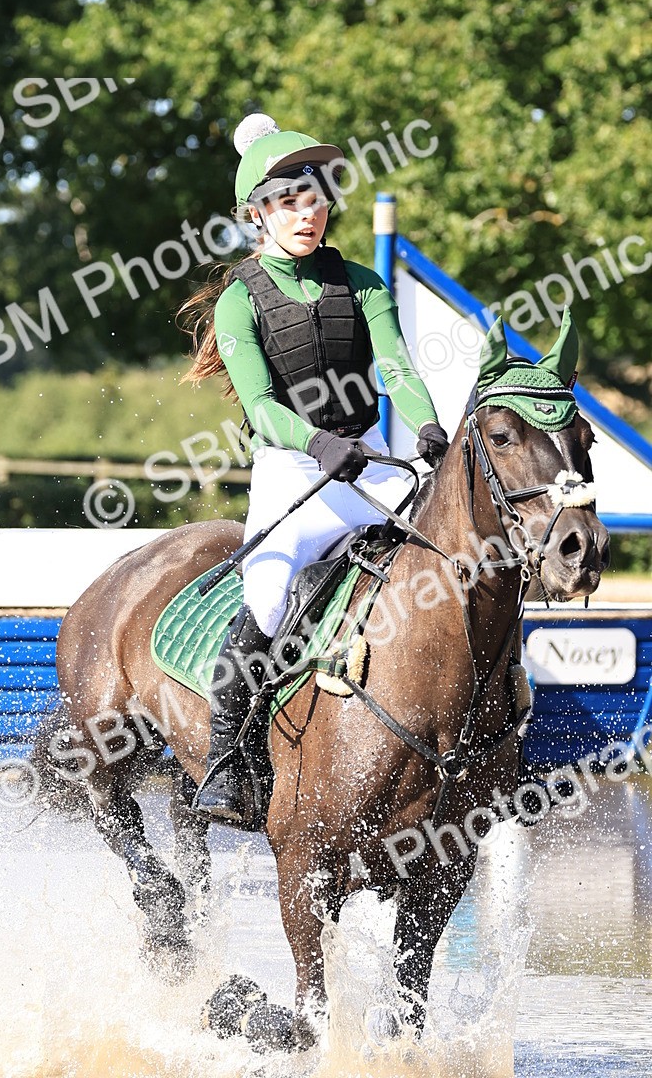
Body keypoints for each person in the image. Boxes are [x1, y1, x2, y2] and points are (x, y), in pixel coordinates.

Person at [179, 113, 448, 823]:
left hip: (370, 469)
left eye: (315, 197)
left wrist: (425, 424)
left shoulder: (360, 283)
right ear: (256, 214)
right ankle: (226, 765)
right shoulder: (240, 301)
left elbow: (395, 365)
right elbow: (263, 406)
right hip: (291, 476)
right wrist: (317, 442)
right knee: (267, 601)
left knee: (454, 559)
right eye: (289, 201)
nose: (307, 211)